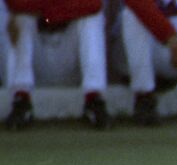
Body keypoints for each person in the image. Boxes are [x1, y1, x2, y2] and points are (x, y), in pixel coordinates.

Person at [3, 0, 111, 129]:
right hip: (36, 56)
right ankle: (21, 98)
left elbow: (93, 5)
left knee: (93, 18)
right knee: (20, 18)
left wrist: (46, 12)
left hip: (68, 53)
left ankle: (94, 98)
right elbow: (16, 4)